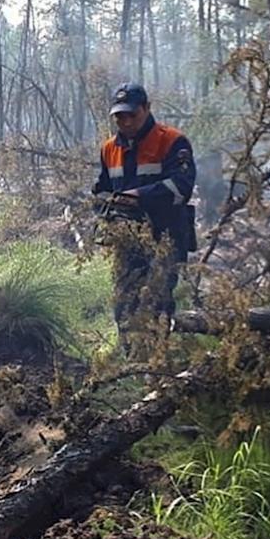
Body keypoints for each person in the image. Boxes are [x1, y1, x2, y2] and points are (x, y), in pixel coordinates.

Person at [92, 83, 196, 354]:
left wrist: (139, 196)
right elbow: (101, 190)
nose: (125, 122)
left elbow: (182, 186)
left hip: (167, 236)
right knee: (124, 303)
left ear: (147, 109)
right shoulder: (108, 149)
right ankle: (131, 360)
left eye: (131, 115)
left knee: (157, 301)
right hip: (127, 238)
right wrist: (106, 212)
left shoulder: (172, 141)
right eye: (119, 116)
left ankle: (158, 363)